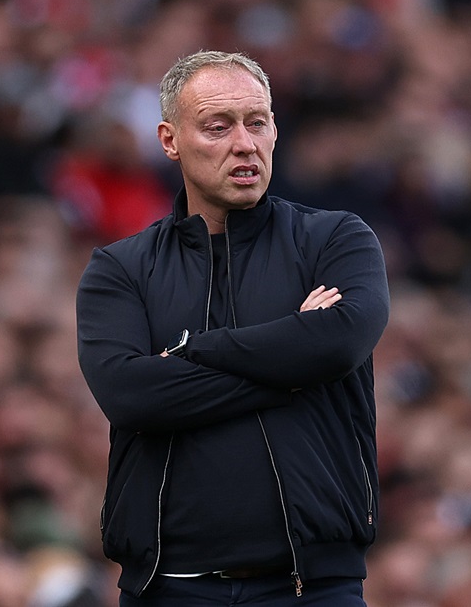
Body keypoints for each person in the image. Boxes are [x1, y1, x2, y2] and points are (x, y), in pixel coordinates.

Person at [75, 50, 389, 606]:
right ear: (170, 141)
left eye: (258, 122)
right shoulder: (120, 268)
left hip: (314, 588)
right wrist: (294, 352)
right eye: (217, 127)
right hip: (169, 588)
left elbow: (340, 341)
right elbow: (131, 396)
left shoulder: (336, 239)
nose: (244, 143)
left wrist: (188, 353)